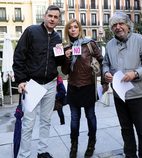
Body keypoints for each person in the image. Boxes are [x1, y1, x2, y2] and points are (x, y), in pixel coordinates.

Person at [102, 12, 142, 158]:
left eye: (121, 24)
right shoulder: (109, 44)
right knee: (125, 129)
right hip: (119, 96)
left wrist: (136, 73)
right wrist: (106, 72)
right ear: (111, 28)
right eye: (114, 25)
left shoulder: (140, 40)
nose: (118, 27)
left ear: (128, 25)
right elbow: (105, 63)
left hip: (138, 94)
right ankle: (130, 155)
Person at [13, 5, 64, 158]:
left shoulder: (57, 37)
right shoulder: (31, 31)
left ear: (58, 20)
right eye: (50, 16)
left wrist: (64, 54)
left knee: (46, 121)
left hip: (50, 84)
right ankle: (24, 155)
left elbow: (58, 62)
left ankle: (42, 152)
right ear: (45, 16)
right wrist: (21, 80)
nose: (52, 19)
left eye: (55, 17)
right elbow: (19, 56)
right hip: (32, 84)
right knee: (28, 124)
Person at [61, 19, 103, 158]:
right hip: (73, 87)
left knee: (90, 116)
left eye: (75, 27)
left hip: (88, 86)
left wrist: (104, 81)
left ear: (80, 29)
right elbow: (65, 71)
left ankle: (91, 143)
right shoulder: (65, 47)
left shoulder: (90, 44)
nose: (73, 29)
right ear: (67, 30)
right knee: (74, 119)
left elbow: (102, 61)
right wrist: (67, 58)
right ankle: (74, 145)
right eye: (70, 28)